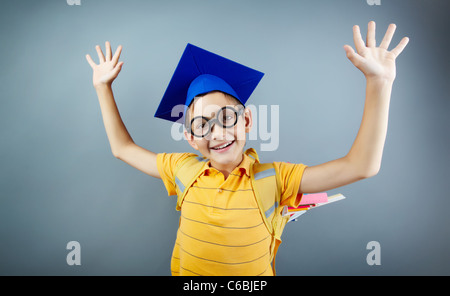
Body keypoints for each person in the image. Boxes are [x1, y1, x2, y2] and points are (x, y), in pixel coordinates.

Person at [85, 21, 409, 276]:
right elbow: (122, 148)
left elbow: (361, 166)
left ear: (247, 120)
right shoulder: (183, 169)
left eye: (226, 118)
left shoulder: (274, 179)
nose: (216, 132)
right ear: (190, 138)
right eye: (201, 125)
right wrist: (102, 87)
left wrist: (379, 83)